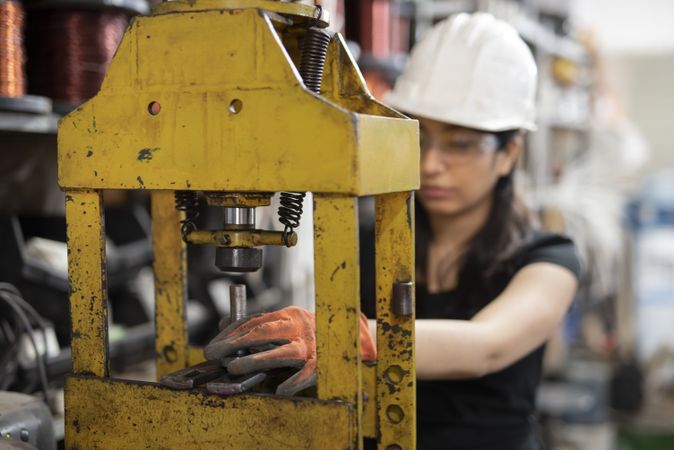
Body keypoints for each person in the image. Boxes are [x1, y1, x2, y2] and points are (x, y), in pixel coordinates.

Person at [204, 12, 580, 450]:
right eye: (419, 138)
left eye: (461, 144)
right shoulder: (375, 241)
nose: (431, 164)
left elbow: (486, 346)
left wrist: (348, 336)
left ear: (509, 153)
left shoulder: (550, 259)